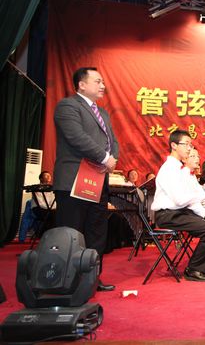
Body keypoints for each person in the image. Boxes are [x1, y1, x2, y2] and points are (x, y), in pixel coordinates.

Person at [53, 67, 119, 291]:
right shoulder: (68, 106)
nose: (103, 86)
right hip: (74, 180)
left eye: (103, 82)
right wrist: (104, 157)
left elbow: (112, 141)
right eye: (97, 81)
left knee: (96, 231)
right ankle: (67, 281)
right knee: (72, 232)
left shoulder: (103, 113)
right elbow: (76, 137)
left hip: (97, 180)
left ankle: (91, 279)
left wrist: (112, 158)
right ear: (81, 84)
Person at [151, 130, 205, 281]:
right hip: (168, 215)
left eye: (191, 145)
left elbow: (189, 201)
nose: (189, 149)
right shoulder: (169, 169)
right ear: (174, 145)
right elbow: (180, 200)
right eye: (186, 145)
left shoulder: (179, 169)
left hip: (180, 212)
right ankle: (194, 269)